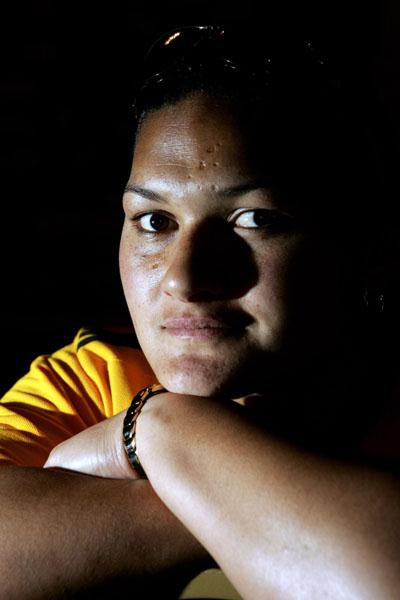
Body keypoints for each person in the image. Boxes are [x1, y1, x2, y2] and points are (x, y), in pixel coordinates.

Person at [0, 24, 399, 599]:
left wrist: (159, 431)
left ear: (369, 249)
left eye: (254, 220)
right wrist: (280, 504)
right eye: (154, 221)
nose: (184, 279)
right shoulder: (93, 379)